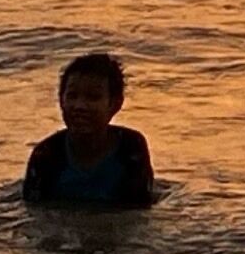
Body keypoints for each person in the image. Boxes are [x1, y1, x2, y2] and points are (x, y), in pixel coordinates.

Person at [20, 49, 158, 209]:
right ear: (60, 100)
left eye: (93, 97)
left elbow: (140, 211)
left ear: (115, 104)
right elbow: (32, 213)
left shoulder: (130, 149)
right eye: (72, 96)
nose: (79, 106)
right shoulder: (46, 154)